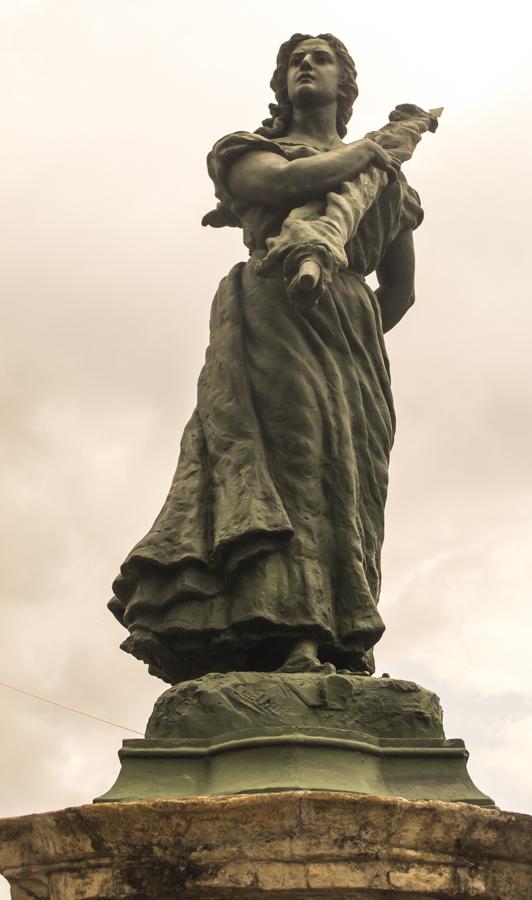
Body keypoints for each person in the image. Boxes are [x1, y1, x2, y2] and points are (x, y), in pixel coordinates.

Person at [108, 33, 434, 684]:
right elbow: (286, 182)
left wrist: (355, 333)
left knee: (350, 474)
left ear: (346, 84)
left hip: (348, 331)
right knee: (290, 460)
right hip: (274, 305)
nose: (305, 66)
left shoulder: (387, 184)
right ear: (281, 85)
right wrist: (375, 149)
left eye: (321, 59)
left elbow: (399, 289)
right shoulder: (248, 153)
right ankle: (288, 633)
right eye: (294, 60)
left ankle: (343, 637)